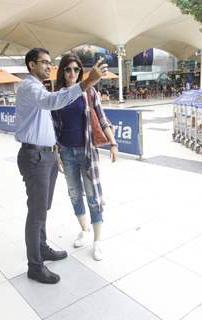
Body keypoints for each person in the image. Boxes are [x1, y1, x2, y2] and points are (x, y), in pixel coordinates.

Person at [15, 48, 108, 284]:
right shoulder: (30, 87)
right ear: (31, 66)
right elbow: (51, 102)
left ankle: (42, 247)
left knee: (42, 209)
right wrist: (86, 82)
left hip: (47, 156)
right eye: (43, 63)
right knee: (36, 214)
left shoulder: (40, 87)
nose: (49, 66)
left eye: (50, 62)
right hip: (34, 157)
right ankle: (35, 266)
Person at [51, 53, 118, 261]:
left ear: (81, 72)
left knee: (93, 196)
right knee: (74, 193)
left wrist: (113, 143)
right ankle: (84, 230)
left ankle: (97, 241)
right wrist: (56, 153)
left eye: (76, 69)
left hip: (87, 152)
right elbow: (53, 127)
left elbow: (102, 119)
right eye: (68, 69)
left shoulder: (89, 92)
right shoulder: (57, 95)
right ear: (62, 71)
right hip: (66, 152)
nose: (72, 73)